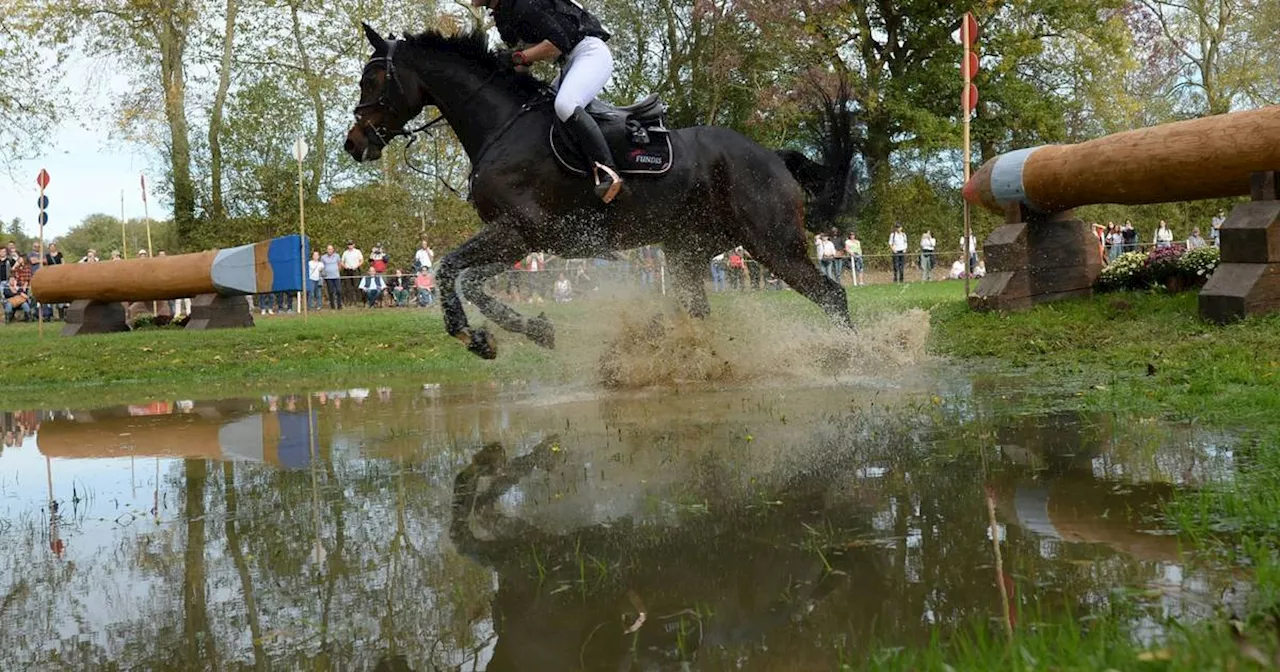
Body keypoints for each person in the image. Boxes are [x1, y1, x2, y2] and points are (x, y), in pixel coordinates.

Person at [474, 0, 622, 202]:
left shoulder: (523, 5)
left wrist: (516, 57)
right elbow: (522, 63)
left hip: (589, 53)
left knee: (565, 105)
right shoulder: (504, 16)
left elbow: (557, 44)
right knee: (536, 115)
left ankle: (608, 171)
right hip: (569, 64)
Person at [341, 240, 365, 305]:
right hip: (347, 270)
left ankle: (358, 301)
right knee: (348, 286)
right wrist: (345, 266)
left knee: (357, 285)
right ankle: (350, 301)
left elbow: (361, 260)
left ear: (354, 245)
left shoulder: (357, 252)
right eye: (349, 244)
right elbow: (342, 262)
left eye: (351, 244)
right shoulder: (345, 252)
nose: (350, 246)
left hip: (355, 270)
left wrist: (357, 266)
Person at [321, 244, 343, 309]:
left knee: (339, 291)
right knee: (331, 292)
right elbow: (322, 266)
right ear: (326, 250)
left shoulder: (337, 256)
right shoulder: (323, 257)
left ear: (333, 250)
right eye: (328, 249)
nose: (329, 250)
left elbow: (339, 264)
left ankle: (339, 305)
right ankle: (332, 306)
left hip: (336, 276)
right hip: (328, 277)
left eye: (331, 249)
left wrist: (337, 271)